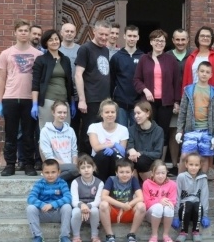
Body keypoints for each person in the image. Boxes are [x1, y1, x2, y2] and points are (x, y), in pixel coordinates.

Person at [0, 19, 42, 177]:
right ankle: (10, 164)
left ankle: (29, 164)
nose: (23, 33)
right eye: (20, 30)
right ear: (15, 33)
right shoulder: (6, 54)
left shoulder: (38, 54)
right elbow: (1, 79)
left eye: (26, 30)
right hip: (10, 98)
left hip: (30, 99)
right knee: (11, 133)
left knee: (29, 134)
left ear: (30, 33)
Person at [133, 29, 181, 159]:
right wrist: (145, 90)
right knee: (147, 130)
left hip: (166, 103)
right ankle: (146, 159)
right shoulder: (144, 59)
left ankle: (160, 162)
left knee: (163, 132)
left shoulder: (171, 60)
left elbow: (177, 82)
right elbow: (137, 79)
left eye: (162, 41)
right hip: (148, 103)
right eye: (156, 40)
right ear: (151, 42)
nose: (159, 43)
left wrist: (177, 101)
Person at [176, 61, 214, 176]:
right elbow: (182, 111)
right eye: (202, 71)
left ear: (211, 74)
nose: (204, 74)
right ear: (197, 72)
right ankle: (180, 184)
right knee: (185, 156)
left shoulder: (213, 91)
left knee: (204, 157)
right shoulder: (188, 90)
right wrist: (179, 130)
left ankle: (201, 184)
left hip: (207, 130)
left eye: (207, 72)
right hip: (191, 129)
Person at [75, 20, 112, 156]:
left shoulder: (106, 50)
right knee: (88, 132)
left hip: (104, 99)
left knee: (101, 132)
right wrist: (82, 99)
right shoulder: (85, 49)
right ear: (94, 32)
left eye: (106, 35)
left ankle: (97, 162)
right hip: (90, 98)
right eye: (101, 34)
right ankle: (84, 161)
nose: (103, 37)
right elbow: (78, 74)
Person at [32, 29, 74, 131]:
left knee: (64, 132)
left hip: (64, 101)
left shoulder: (65, 60)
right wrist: (34, 104)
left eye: (56, 39)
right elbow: (35, 84)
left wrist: (72, 103)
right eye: (51, 40)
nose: (54, 42)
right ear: (46, 43)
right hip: (48, 101)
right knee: (47, 132)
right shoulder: (41, 60)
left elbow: (69, 82)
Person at [99, 159, 146, 242]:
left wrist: (128, 205)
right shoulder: (111, 179)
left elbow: (140, 197)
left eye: (127, 172)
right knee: (103, 204)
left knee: (141, 206)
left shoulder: (133, 180)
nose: (124, 174)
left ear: (132, 173)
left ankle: (132, 235)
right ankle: (110, 236)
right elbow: (104, 196)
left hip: (127, 212)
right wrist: (121, 205)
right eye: (121, 172)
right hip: (113, 212)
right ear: (116, 172)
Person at [25, 159, 73, 242]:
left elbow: (68, 197)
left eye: (53, 172)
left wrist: (53, 204)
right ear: (42, 173)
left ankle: (64, 236)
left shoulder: (62, 183)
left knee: (67, 206)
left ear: (59, 172)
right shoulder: (39, 184)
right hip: (43, 213)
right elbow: (30, 198)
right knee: (30, 208)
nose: (50, 175)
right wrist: (41, 205)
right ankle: (37, 236)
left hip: (58, 213)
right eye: (47, 172)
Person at [166, 29, 193, 167]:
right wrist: (174, 102)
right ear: (173, 40)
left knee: (189, 133)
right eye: (177, 39)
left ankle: (188, 165)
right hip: (172, 102)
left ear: (188, 40)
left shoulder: (193, 56)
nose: (180, 42)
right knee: (174, 132)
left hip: (191, 101)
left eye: (183, 39)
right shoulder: (167, 56)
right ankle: (175, 165)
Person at [88, 99, 129, 181]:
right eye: (107, 112)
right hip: (99, 160)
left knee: (114, 156)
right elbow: (96, 148)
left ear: (116, 114)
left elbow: (122, 152)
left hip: (115, 160)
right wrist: (113, 144)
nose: (110, 115)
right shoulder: (93, 127)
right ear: (101, 114)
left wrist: (113, 150)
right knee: (103, 155)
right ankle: (101, 184)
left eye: (113, 112)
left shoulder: (123, 129)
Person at [110, 25, 143, 127]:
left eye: (134, 36)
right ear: (124, 36)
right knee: (121, 133)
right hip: (120, 103)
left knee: (136, 134)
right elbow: (111, 80)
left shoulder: (143, 57)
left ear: (138, 37)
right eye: (129, 36)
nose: (132, 39)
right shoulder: (116, 57)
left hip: (138, 104)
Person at [38, 101, 79, 182]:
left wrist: (73, 165)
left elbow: (74, 151)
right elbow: (48, 156)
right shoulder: (45, 131)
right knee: (78, 171)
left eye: (65, 112)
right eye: (59, 112)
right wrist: (69, 166)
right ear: (53, 113)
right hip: (54, 165)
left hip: (71, 168)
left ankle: (52, 181)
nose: (62, 115)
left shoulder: (70, 130)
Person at [175, 153, 209, 242]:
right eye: (191, 164)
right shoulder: (181, 177)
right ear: (186, 164)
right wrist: (175, 215)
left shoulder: (203, 178)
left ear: (200, 166)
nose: (193, 167)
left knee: (197, 204)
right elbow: (177, 195)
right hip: (184, 210)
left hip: (197, 211)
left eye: (196, 165)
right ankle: (183, 232)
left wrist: (205, 215)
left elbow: (204, 197)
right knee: (188, 204)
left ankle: (196, 231)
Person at [142, 160, 178, 242]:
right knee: (158, 206)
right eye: (157, 173)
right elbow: (146, 202)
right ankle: (154, 235)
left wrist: (164, 202)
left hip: (166, 215)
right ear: (152, 173)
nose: (161, 176)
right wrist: (159, 201)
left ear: (166, 173)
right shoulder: (146, 183)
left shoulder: (172, 184)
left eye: (163, 173)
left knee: (169, 207)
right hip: (151, 214)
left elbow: (173, 201)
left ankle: (166, 235)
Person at [70, 155, 103, 242]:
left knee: (95, 210)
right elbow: (74, 201)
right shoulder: (75, 182)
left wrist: (87, 206)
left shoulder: (99, 183)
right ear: (79, 170)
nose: (86, 170)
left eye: (89, 167)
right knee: (76, 212)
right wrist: (82, 206)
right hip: (79, 207)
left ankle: (94, 236)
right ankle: (76, 236)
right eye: (83, 168)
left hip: (92, 207)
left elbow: (97, 201)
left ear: (94, 168)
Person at [127, 100, 165, 180]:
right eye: (135, 113)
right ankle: (135, 188)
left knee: (141, 161)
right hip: (135, 159)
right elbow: (130, 145)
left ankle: (149, 184)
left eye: (138, 113)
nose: (136, 116)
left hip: (149, 160)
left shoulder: (158, 130)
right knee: (128, 160)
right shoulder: (131, 129)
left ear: (147, 113)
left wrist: (140, 153)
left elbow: (157, 153)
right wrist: (131, 150)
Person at [182, 26, 214, 94]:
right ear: (198, 38)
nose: (205, 38)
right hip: (192, 95)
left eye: (208, 36)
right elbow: (185, 81)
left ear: (211, 39)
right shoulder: (191, 57)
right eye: (202, 36)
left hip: (209, 96)